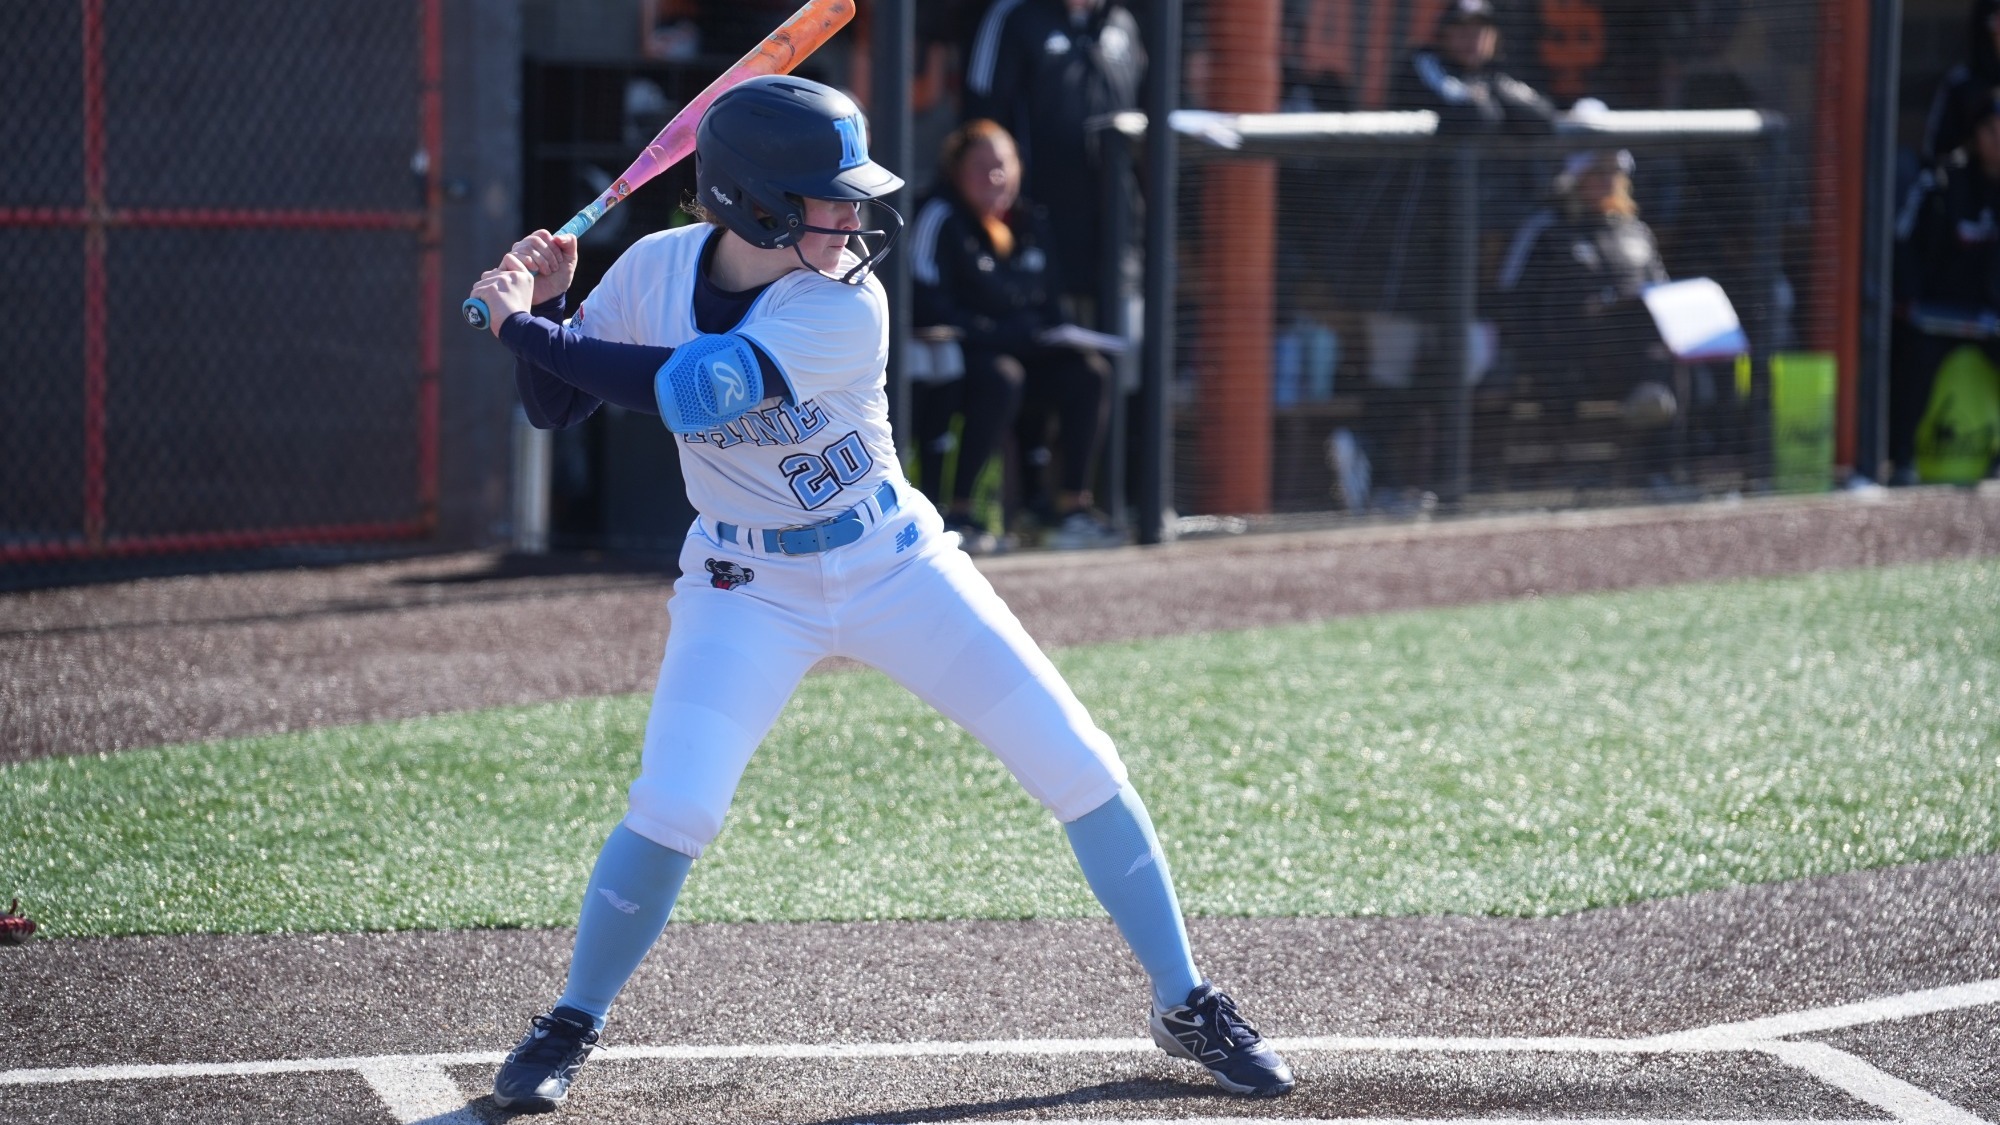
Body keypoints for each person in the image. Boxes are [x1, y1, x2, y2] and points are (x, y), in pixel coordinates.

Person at [463, 75, 1296, 1111]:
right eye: (827, 199)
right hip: (743, 581)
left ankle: (1186, 1001)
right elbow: (557, 403)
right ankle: (568, 1022)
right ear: (754, 204)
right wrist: (544, 305)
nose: (852, 218)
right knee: (674, 803)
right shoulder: (652, 268)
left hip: (893, 563)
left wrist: (516, 327)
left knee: (1079, 763)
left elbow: (688, 391)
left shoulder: (843, 304)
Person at [910, 119, 1120, 552]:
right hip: (958, 359)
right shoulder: (938, 216)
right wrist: (998, 332)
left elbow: (1048, 303)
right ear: (955, 170)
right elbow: (925, 302)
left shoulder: (1030, 220)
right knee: (1002, 377)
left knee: (1088, 373)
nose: (995, 177)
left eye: (1003, 165)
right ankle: (962, 512)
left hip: (1024, 352)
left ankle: (1069, 509)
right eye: (981, 166)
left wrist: (1049, 331)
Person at [962, 0, 1145, 316]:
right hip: (1036, 239)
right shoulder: (1014, 16)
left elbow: (1146, 124)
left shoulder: (1124, 24)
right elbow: (979, 126)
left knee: (1121, 352)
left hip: (1116, 239)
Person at [1493, 150, 1676, 427]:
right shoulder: (1547, 228)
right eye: (1598, 173)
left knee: (1673, 354)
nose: (1608, 181)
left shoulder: (1636, 231)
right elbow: (1513, 298)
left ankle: (1664, 460)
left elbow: (1662, 291)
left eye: (1614, 173)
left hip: (1637, 351)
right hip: (1570, 356)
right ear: (1576, 179)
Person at [1892, 82, 2000, 484]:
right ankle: (1902, 460)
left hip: (1991, 318)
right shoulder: (1942, 181)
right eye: (1991, 129)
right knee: (1915, 361)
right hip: (1936, 315)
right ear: (1976, 134)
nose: (1999, 139)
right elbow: (1902, 239)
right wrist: (1911, 297)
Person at [1922, 0, 2000, 170]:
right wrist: (1975, 146)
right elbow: (1936, 154)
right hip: (1973, 190)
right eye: (1997, 21)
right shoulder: (1961, 85)